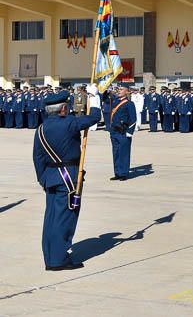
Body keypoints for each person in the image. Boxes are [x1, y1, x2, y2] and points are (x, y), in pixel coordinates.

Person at [33, 85, 100, 270]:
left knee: (51, 219)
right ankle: (58, 260)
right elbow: (95, 117)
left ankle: (50, 256)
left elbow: (37, 158)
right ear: (63, 109)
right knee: (64, 218)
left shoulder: (40, 129)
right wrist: (94, 97)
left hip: (50, 178)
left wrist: (43, 179)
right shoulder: (68, 122)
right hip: (68, 177)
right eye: (67, 107)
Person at [109, 83, 137, 180]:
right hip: (114, 131)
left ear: (127, 91)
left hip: (123, 131)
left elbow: (133, 119)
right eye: (118, 89)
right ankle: (117, 172)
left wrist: (130, 132)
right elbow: (105, 99)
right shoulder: (115, 102)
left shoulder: (129, 104)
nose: (119, 91)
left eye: (121, 89)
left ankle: (124, 173)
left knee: (123, 153)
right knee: (116, 152)